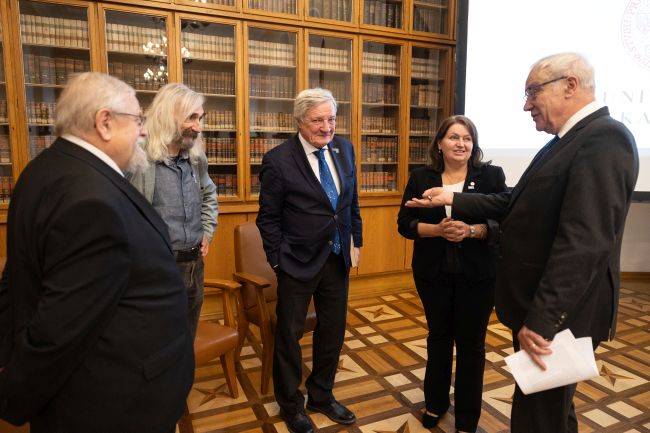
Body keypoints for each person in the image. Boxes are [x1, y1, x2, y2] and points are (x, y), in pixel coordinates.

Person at [406, 52, 639, 433]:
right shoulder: (565, 141)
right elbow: (515, 203)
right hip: (544, 310)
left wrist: (545, 320)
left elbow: (584, 242)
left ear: (570, 85)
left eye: (533, 91)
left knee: (537, 418)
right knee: (551, 412)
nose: (526, 104)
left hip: (560, 317)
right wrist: (452, 198)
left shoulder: (604, 139)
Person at [0, 72, 194, 432]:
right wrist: (13, 392)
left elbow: (19, 278)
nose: (143, 131)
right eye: (137, 120)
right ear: (104, 122)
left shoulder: (44, 169)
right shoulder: (90, 199)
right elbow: (60, 326)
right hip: (116, 402)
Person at [256, 88, 362, 433]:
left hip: (336, 258)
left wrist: (355, 242)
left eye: (331, 118)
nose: (327, 126)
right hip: (296, 262)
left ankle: (321, 394)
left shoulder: (344, 149)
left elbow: (350, 203)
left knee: (332, 332)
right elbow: (268, 219)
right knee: (289, 336)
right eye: (318, 120)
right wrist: (277, 262)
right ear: (300, 121)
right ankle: (291, 405)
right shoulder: (278, 160)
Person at [398, 115, 506, 433]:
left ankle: (467, 418)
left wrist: (474, 230)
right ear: (440, 144)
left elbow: (506, 221)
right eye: (454, 137)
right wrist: (437, 229)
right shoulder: (421, 177)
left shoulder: (491, 177)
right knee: (439, 339)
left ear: (473, 145)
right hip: (433, 274)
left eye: (467, 138)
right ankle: (435, 404)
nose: (461, 144)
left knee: (472, 346)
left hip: (479, 275)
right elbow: (404, 223)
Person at [129, 83, 218, 339]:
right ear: (167, 114)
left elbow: (209, 193)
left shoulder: (196, 158)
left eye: (200, 118)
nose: (198, 126)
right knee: (156, 343)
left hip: (194, 266)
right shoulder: (136, 157)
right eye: (192, 117)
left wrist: (207, 231)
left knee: (186, 339)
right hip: (157, 268)